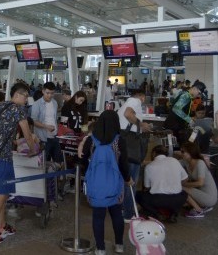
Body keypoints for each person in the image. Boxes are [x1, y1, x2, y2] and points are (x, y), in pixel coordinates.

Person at [0, 82, 36, 244]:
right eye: (25, 97)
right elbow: (28, 134)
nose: (26, 100)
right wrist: (33, 150)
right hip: (3, 158)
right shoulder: (18, 110)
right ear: (18, 94)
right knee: (2, 194)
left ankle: (2, 226)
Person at [78, 110, 131, 255]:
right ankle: (119, 245)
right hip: (115, 184)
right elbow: (124, 164)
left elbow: (82, 160)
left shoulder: (91, 140)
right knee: (116, 214)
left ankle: (100, 248)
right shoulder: (119, 140)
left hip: (96, 183)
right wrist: (127, 178)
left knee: (98, 216)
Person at [117, 90, 151, 221]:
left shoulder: (126, 103)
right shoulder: (135, 101)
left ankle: (121, 209)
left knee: (124, 178)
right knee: (131, 180)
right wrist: (141, 124)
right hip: (131, 147)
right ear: (142, 97)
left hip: (123, 145)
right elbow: (128, 114)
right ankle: (128, 214)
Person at [136, 145, 188, 223]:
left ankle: (157, 214)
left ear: (154, 154)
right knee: (184, 194)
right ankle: (174, 213)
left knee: (138, 195)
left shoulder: (149, 166)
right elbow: (185, 178)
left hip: (158, 200)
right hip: (177, 199)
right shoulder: (175, 161)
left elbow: (147, 187)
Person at [181, 142, 218, 218]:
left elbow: (200, 183)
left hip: (209, 197)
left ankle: (198, 210)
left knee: (181, 188)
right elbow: (174, 162)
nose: (181, 153)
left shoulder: (200, 163)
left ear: (190, 152)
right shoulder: (187, 162)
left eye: (183, 152)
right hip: (201, 192)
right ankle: (201, 206)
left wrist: (183, 184)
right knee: (183, 191)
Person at [31, 82, 63, 169]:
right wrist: (46, 127)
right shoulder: (37, 104)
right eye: (47, 93)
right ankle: (46, 182)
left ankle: (56, 180)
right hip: (43, 138)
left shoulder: (55, 103)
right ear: (43, 91)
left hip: (54, 136)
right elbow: (33, 121)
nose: (50, 95)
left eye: (52, 93)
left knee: (59, 162)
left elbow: (54, 118)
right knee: (44, 163)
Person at [164, 81, 206, 145]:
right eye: (199, 93)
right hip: (173, 127)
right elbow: (176, 109)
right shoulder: (186, 96)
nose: (199, 95)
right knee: (176, 150)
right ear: (194, 88)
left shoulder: (187, 95)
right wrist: (189, 120)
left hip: (175, 126)